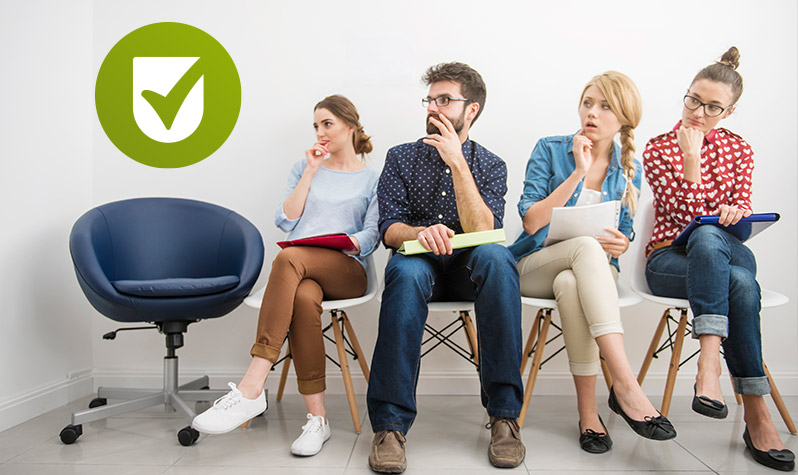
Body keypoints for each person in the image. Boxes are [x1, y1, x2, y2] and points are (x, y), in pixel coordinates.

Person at [191, 95, 380, 457]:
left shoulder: (373, 177)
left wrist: (342, 242)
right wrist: (310, 171)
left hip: (347, 270)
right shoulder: (303, 166)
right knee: (303, 296)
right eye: (315, 126)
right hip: (301, 270)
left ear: (351, 126)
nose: (320, 132)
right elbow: (286, 220)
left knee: (289, 257)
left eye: (328, 124)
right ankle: (317, 420)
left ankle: (251, 386)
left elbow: (372, 236)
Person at [366, 62, 525, 473]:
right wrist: (421, 232)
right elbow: (389, 229)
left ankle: (505, 417)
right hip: (419, 265)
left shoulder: (491, 165)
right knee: (405, 270)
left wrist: (457, 162)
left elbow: (484, 229)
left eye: (444, 99)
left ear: (470, 110)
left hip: (472, 272)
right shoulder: (400, 157)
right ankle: (389, 427)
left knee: (498, 257)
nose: (433, 107)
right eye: (430, 99)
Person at [507, 71, 676, 453]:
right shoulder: (550, 149)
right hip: (535, 266)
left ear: (624, 118)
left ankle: (588, 414)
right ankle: (625, 384)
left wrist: (622, 242)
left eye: (604, 106)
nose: (592, 113)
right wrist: (579, 175)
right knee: (584, 247)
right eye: (587, 103)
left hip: (587, 274)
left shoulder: (629, 167)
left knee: (571, 282)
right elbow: (531, 221)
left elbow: (627, 229)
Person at [644, 47, 794, 472]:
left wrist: (735, 214)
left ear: (728, 112)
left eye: (713, 107)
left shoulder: (740, 150)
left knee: (713, 235)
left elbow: (741, 209)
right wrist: (691, 158)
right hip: (670, 259)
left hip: (727, 252)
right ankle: (757, 415)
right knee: (739, 281)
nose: (698, 112)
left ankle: (709, 361)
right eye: (693, 100)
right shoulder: (658, 149)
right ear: (685, 95)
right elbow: (680, 218)